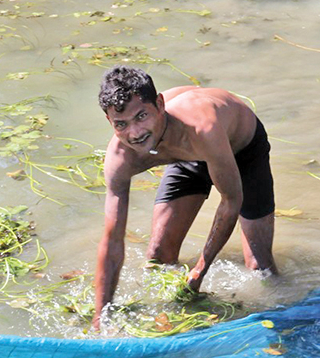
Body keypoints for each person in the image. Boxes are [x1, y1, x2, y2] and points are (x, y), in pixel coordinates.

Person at [92, 66, 277, 329]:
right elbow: (112, 240)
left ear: (159, 104)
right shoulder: (120, 158)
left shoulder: (203, 128)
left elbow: (230, 202)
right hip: (184, 153)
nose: (135, 133)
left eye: (141, 116)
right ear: (110, 122)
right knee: (158, 259)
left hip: (239, 149)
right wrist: (101, 317)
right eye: (121, 124)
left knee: (260, 270)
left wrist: (200, 270)